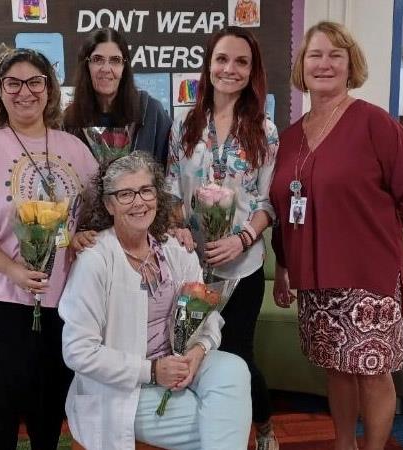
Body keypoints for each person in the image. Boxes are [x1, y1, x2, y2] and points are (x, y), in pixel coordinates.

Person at [269, 21, 403, 450]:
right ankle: (344, 444)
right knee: (337, 369)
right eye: (314, 55)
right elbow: (285, 208)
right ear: (301, 67)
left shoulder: (375, 123)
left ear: (350, 65)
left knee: (372, 370)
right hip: (315, 276)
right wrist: (284, 267)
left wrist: (378, 229)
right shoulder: (288, 138)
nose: (324, 63)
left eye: (334, 55)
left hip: (368, 274)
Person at [0, 47, 97, 450]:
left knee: (49, 399)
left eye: (35, 82)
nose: (24, 92)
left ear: (49, 90)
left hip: (60, 299)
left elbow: (93, 215)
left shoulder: (75, 148)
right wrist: (10, 268)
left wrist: (82, 234)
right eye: (13, 83)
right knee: (0, 402)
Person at [59, 151, 252, 450]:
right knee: (220, 424)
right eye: (125, 194)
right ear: (109, 204)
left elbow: (208, 313)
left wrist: (198, 352)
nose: (139, 201)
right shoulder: (95, 260)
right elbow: (77, 351)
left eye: (146, 190)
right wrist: (151, 370)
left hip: (182, 364)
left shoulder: (175, 248)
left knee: (234, 368)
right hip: (124, 387)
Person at [166, 27, 280, 450]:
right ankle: (210, 434)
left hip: (242, 269)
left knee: (237, 357)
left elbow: (269, 203)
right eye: (222, 59)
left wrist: (243, 238)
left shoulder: (265, 131)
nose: (230, 69)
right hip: (192, 267)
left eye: (241, 62)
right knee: (194, 353)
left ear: (252, 72)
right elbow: (170, 190)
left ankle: (264, 427)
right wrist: (178, 223)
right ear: (209, 65)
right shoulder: (185, 124)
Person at [63, 27, 172, 166]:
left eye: (115, 60)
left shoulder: (151, 112)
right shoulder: (70, 121)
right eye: (97, 59)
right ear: (86, 65)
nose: (106, 69)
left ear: (124, 67)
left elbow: (170, 173)